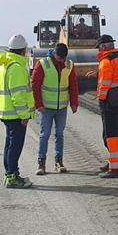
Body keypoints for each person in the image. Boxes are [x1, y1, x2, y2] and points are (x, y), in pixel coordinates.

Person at [31, 43, 78, 175]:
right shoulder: (43, 64)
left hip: (61, 107)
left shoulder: (69, 65)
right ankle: (41, 163)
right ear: (54, 54)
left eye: (63, 59)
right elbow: (35, 85)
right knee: (44, 135)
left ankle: (59, 161)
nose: (61, 61)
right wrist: (38, 104)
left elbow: (73, 85)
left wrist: (74, 103)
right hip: (46, 108)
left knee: (59, 134)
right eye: (59, 59)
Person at [85, 34, 118, 178]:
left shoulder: (105, 61)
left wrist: (102, 100)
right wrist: (98, 74)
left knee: (110, 135)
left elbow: (105, 84)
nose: (99, 50)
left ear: (103, 46)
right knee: (115, 133)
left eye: (99, 48)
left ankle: (115, 169)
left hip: (110, 101)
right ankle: (112, 162)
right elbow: (116, 77)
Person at [0, 34, 35, 188]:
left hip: (6, 113)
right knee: (15, 146)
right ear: (24, 50)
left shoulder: (4, 65)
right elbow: (18, 96)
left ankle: (10, 174)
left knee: (9, 145)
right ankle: (12, 177)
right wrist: (24, 115)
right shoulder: (17, 68)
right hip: (16, 115)